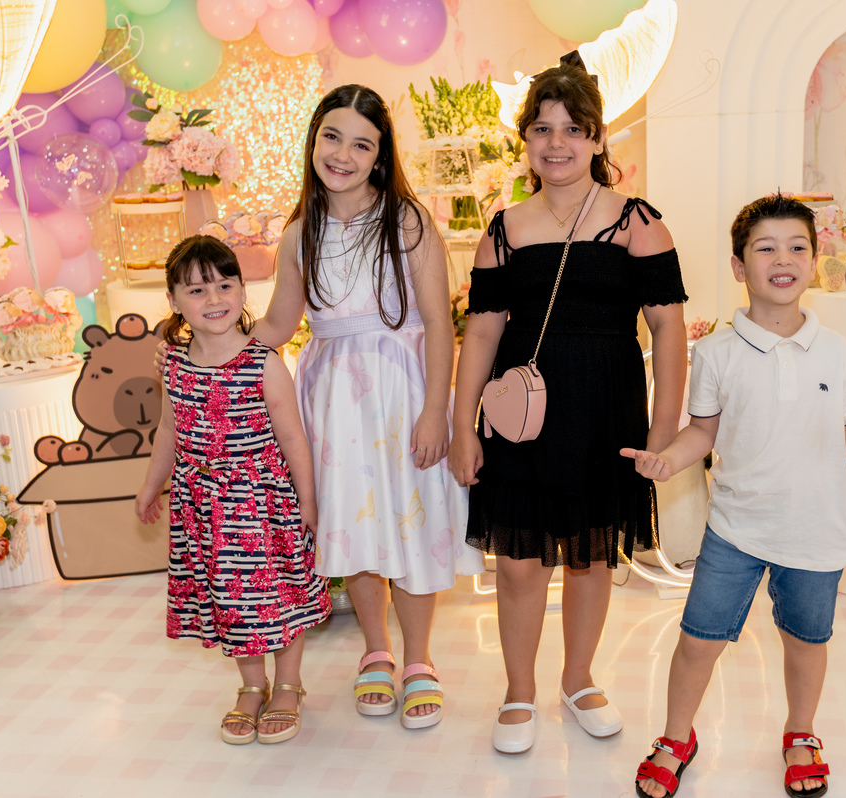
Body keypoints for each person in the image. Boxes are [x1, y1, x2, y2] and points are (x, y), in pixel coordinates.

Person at [623, 195, 846, 798]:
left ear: (814, 260)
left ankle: (801, 733)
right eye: (766, 248)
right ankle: (676, 738)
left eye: (797, 247)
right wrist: (667, 459)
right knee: (698, 641)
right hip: (736, 528)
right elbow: (702, 432)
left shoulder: (837, 350)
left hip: (816, 529)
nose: (783, 259)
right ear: (739, 266)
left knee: (806, 643)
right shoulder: (716, 352)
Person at [450, 52, 688, 754]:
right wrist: (463, 425)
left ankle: (578, 679)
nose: (557, 143)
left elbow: (668, 327)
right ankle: (518, 689)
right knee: (519, 560)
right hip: (521, 416)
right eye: (542, 129)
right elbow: (482, 331)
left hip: (606, 408)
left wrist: (663, 433)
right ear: (525, 139)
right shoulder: (504, 227)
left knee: (590, 554)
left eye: (573, 129)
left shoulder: (637, 222)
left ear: (598, 138)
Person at [252, 84, 482, 729]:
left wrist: (435, 411)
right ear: (314, 140)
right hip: (330, 398)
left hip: (401, 390)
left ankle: (418, 658)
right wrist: (212, 342)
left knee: (409, 521)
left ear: (380, 156)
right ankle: (375, 650)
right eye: (332, 137)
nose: (343, 155)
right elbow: (279, 323)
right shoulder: (298, 233)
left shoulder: (407, 221)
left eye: (362, 144)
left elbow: (439, 323)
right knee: (351, 524)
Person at [136, 235, 329, 746]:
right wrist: (151, 486)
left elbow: (293, 438)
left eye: (225, 285)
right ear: (174, 301)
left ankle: (288, 684)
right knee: (231, 599)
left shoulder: (263, 361)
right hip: (205, 509)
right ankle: (252, 685)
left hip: (262, 506)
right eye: (197, 290)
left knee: (278, 595)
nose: (214, 298)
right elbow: (169, 431)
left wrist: (308, 502)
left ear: (243, 291)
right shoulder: (173, 364)